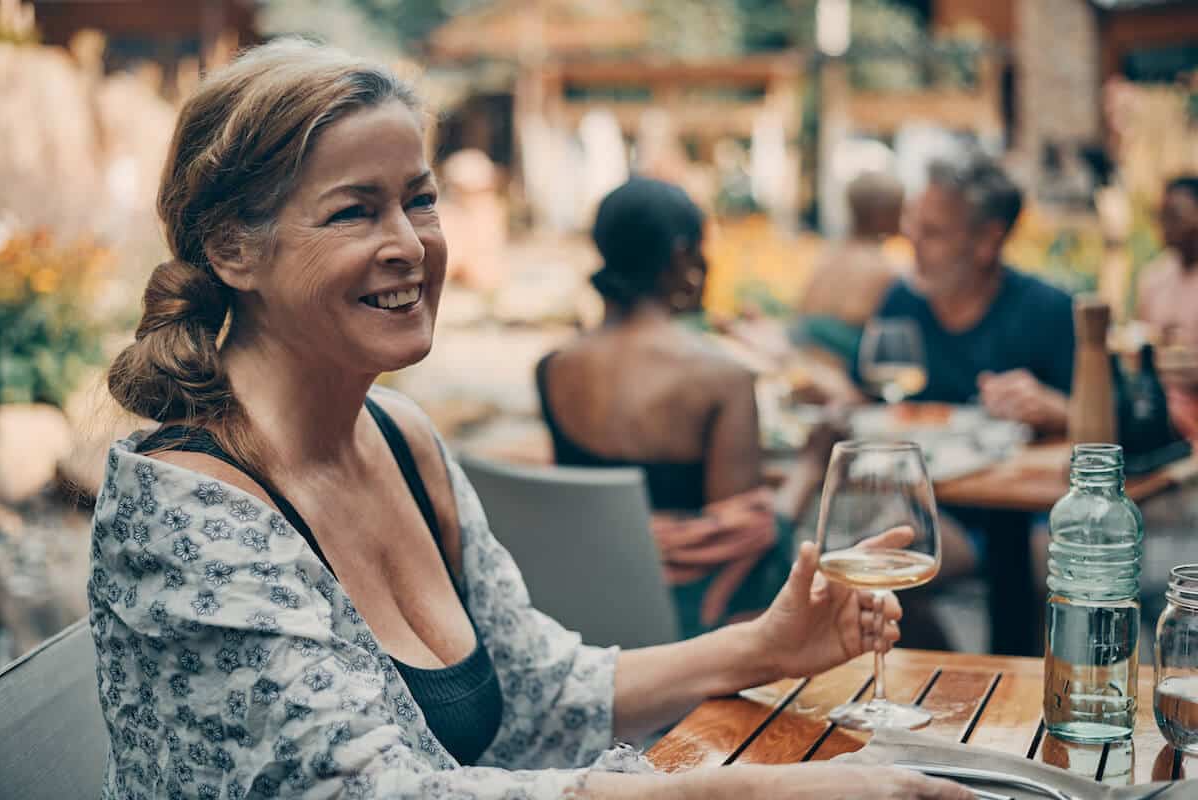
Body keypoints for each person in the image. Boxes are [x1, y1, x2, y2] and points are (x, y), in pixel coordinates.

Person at [88, 40, 967, 800]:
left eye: (419, 200)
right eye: (355, 210)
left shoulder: (402, 438)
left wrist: (764, 646)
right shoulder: (184, 511)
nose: (410, 244)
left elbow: (544, 687)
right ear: (232, 249)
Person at [536, 177, 836, 640]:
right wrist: (812, 466)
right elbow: (744, 544)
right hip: (692, 633)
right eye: (702, 249)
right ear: (680, 258)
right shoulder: (722, 377)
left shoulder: (553, 367)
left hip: (588, 619)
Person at [864, 157, 1075, 435]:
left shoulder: (1051, 312)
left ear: (988, 240)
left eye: (932, 232)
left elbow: (1120, 424)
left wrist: (1058, 410)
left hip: (1017, 476)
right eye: (912, 224)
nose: (912, 240)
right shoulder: (901, 301)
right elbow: (865, 397)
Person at [799, 170, 906, 360]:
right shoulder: (885, 269)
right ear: (883, 215)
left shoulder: (829, 256)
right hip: (841, 375)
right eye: (901, 208)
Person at [1135, 175, 1198, 440]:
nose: (1166, 223)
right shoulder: (1153, 278)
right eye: (1163, 214)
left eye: (1176, 214)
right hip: (1162, 403)